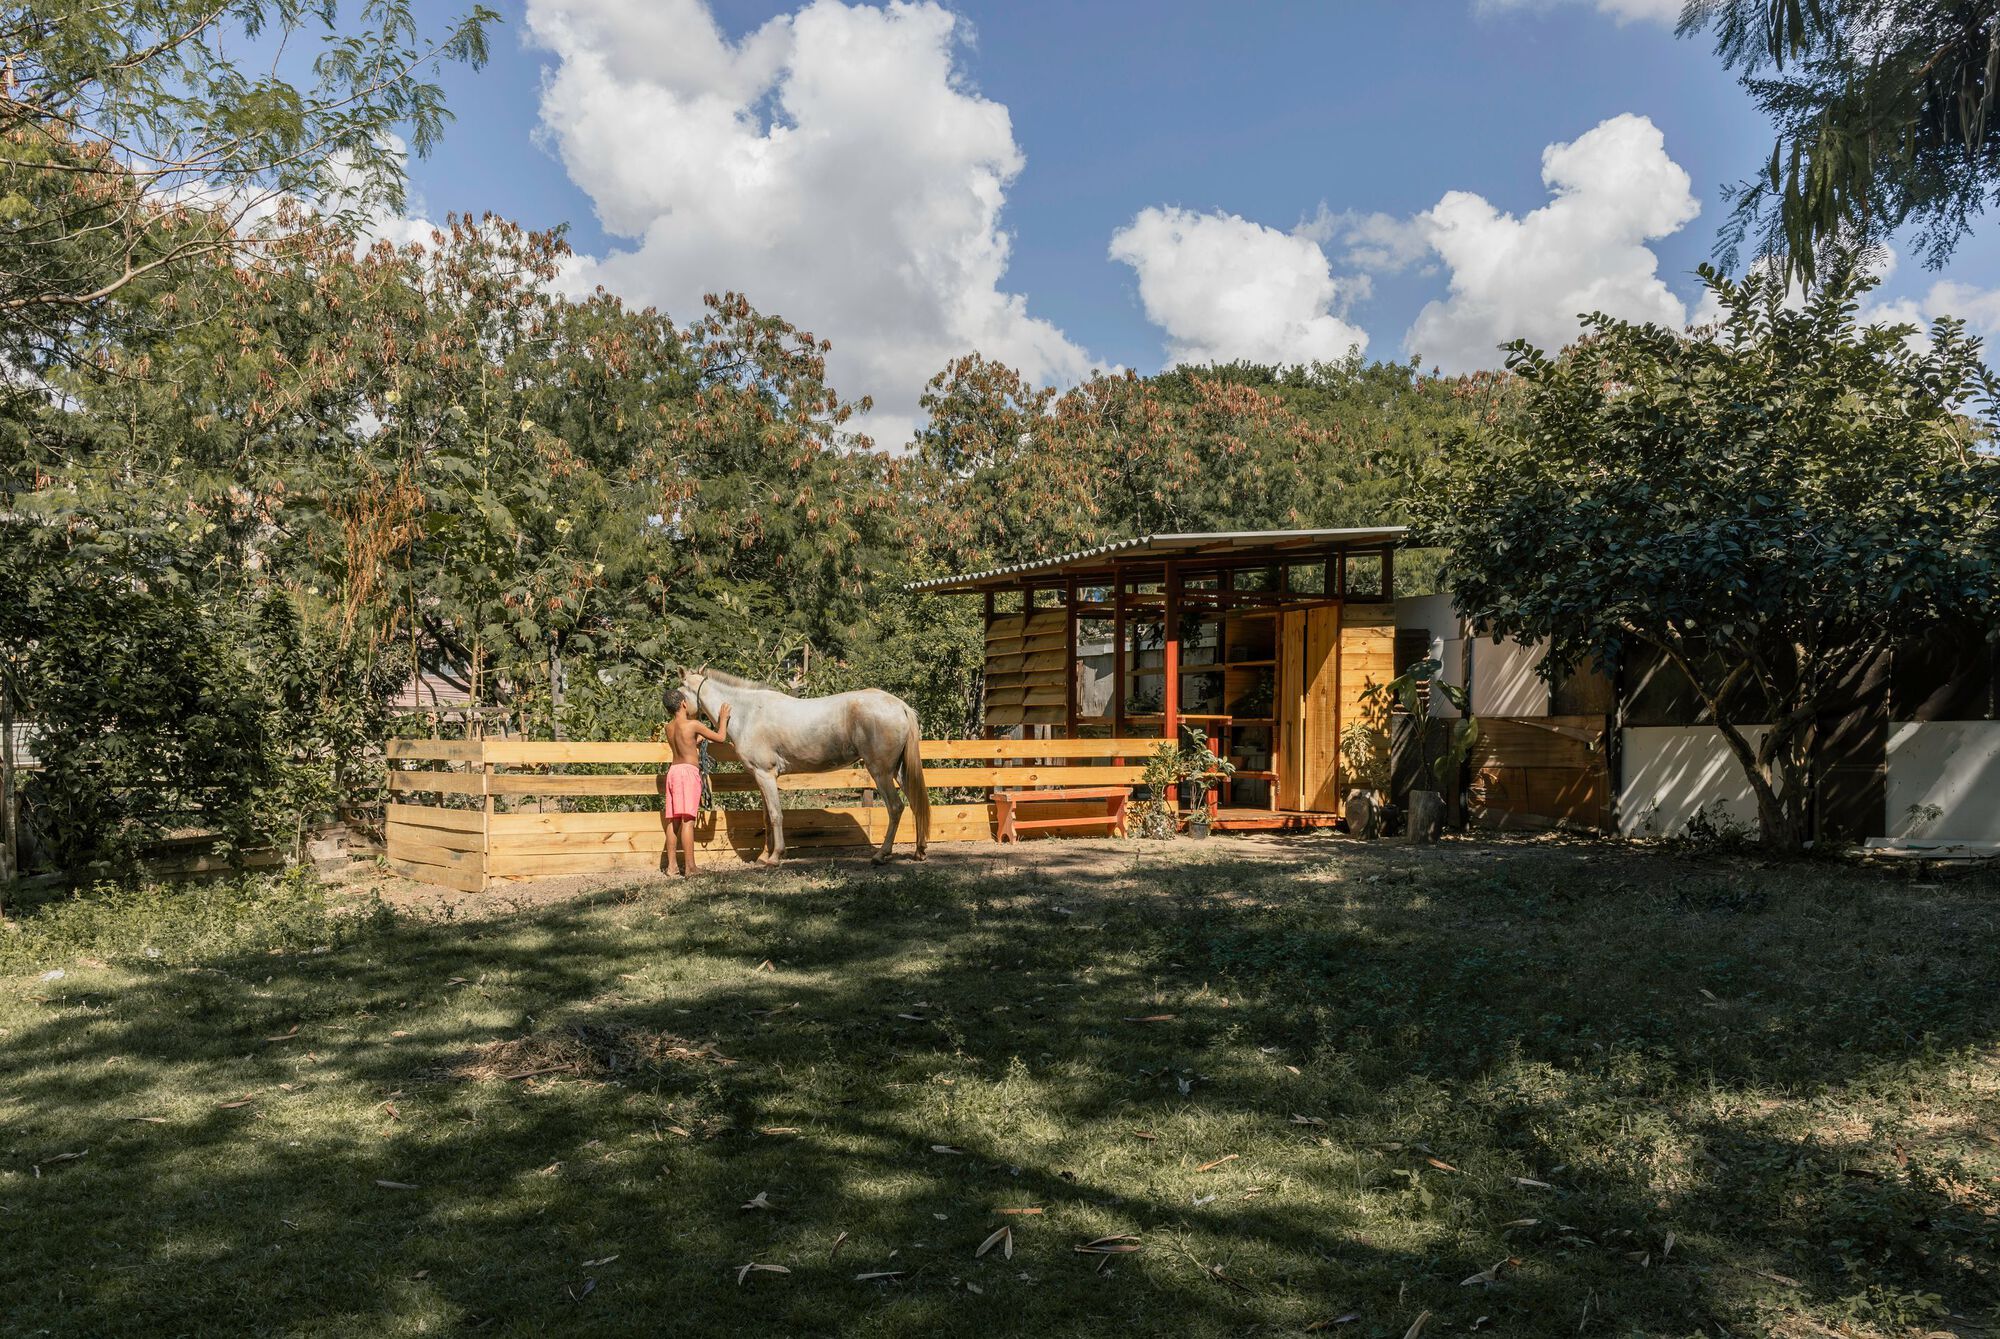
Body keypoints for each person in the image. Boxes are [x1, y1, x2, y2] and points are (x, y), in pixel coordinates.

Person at [662, 686, 729, 877]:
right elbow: (721, 737)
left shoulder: (669, 728)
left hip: (673, 772)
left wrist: (695, 742)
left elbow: (684, 743)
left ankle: (672, 866)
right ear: (684, 703)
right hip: (687, 774)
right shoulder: (693, 724)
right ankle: (690, 867)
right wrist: (722, 719)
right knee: (688, 820)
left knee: (673, 821)